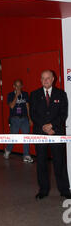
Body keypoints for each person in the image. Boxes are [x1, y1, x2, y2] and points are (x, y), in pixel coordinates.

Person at [29, 70, 71, 199]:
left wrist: (52, 126)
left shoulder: (61, 94)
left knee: (59, 162)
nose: (45, 80)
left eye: (48, 78)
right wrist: (44, 127)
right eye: (43, 78)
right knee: (41, 162)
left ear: (53, 79)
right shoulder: (34, 95)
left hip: (56, 132)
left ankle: (64, 189)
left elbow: (63, 114)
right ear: (40, 80)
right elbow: (33, 114)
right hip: (40, 133)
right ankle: (43, 190)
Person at [4, 79, 34, 163]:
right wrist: (16, 95)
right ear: (14, 86)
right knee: (13, 137)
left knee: (26, 137)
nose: (18, 87)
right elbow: (12, 106)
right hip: (15, 119)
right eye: (16, 85)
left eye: (19, 85)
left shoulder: (25, 94)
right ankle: (8, 150)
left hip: (24, 118)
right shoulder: (10, 95)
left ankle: (26, 155)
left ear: (22, 86)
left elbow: (28, 107)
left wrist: (30, 118)